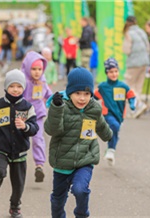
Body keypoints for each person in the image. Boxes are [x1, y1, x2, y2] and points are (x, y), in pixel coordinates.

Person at [44, 67, 113, 218]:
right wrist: (56, 109)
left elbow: (100, 125)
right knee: (57, 201)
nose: (82, 98)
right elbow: (51, 130)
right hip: (62, 161)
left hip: (85, 159)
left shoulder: (94, 108)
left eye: (87, 94)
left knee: (80, 189)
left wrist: (109, 135)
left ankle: (81, 214)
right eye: (78, 93)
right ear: (69, 92)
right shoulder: (61, 107)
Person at [0, 69, 39, 218]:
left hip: (20, 151)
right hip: (2, 148)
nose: (15, 89)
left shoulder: (27, 107)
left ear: (23, 88)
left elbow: (35, 128)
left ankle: (15, 207)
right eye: (12, 86)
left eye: (19, 86)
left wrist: (25, 126)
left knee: (18, 184)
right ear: (6, 87)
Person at [94, 58, 136, 166]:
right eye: (111, 72)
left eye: (116, 71)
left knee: (115, 130)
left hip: (119, 115)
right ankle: (111, 150)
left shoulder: (123, 86)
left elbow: (131, 95)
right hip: (107, 113)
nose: (114, 74)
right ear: (106, 73)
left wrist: (132, 104)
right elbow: (94, 96)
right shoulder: (103, 87)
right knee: (114, 126)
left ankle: (110, 150)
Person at [21, 51, 52, 182]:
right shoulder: (23, 80)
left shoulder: (42, 81)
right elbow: (15, 95)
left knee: (38, 139)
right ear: (28, 68)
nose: (37, 72)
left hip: (38, 115)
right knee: (20, 141)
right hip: (22, 115)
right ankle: (16, 163)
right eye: (34, 69)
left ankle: (39, 165)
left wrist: (55, 101)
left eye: (40, 69)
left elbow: (48, 94)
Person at [122, 15, 150, 118]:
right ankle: (135, 109)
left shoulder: (128, 34)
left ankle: (139, 104)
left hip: (133, 63)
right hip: (144, 62)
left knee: (129, 85)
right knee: (138, 87)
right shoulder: (142, 32)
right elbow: (148, 47)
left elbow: (126, 50)